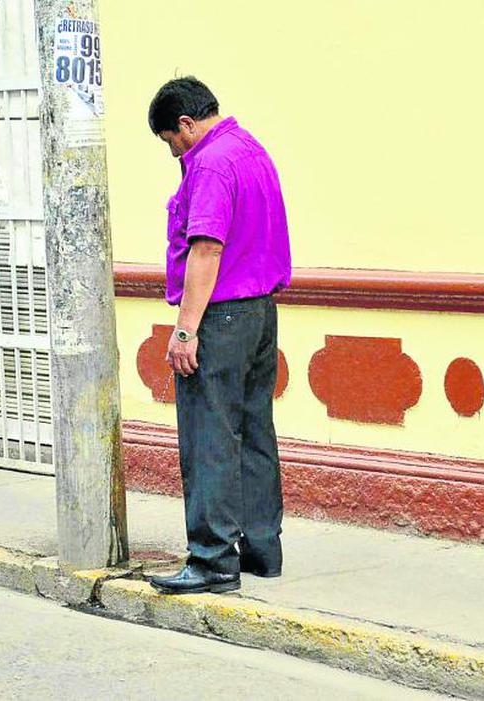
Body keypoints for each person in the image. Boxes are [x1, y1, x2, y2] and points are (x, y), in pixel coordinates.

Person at [145, 77, 292, 595]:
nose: (172, 151)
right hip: (260, 313)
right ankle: (261, 548)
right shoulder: (251, 148)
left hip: (221, 314)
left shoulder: (210, 162)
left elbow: (205, 250)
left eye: (169, 140)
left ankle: (211, 559)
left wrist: (185, 330)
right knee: (254, 430)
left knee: (210, 433)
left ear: (186, 123)